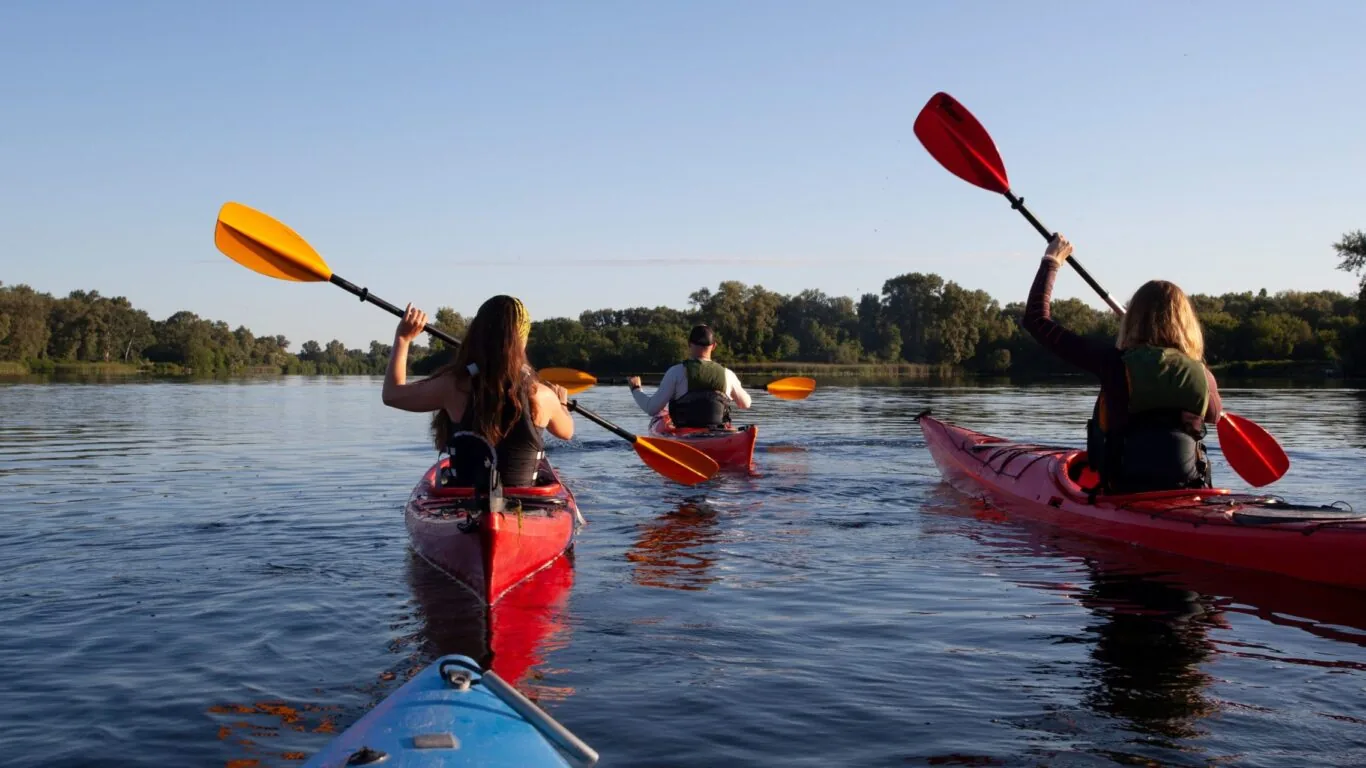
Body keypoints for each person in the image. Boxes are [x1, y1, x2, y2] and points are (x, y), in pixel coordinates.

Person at [1023, 234, 1223, 494]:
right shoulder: (1204, 376)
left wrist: (1052, 260)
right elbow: (1214, 415)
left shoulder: (1113, 364)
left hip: (1124, 491)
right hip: (1189, 490)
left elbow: (1036, 320)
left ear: (1133, 320)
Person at [381, 295, 573, 488]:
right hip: (526, 501)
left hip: (463, 500)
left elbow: (392, 395)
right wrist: (561, 404)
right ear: (523, 340)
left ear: (477, 334)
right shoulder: (542, 395)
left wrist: (403, 338)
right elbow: (567, 432)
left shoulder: (453, 386)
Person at [627, 324, 752, 430]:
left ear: (689, 344)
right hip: (717, 435)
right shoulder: (727, 374)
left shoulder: (676, 372)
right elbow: (746, 404)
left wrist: (636, 389)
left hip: (684, 437)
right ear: (714, 346)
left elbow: (651, 409)